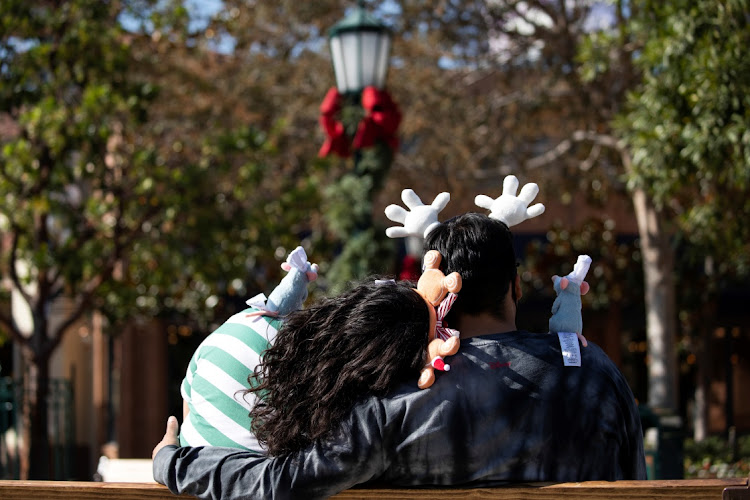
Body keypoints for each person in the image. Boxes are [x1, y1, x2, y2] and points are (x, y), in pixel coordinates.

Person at [153, 213, 646, 499]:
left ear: (435, 297)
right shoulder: (597, 374)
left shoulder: (399, 398)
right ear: (516, 286)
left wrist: (174, 464)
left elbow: (280, 484)